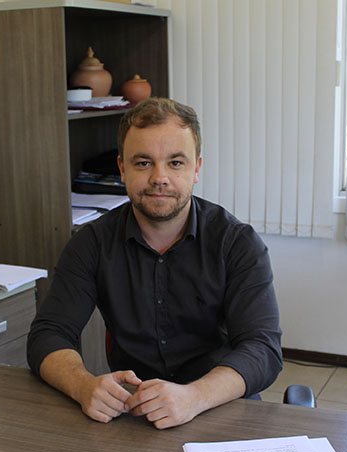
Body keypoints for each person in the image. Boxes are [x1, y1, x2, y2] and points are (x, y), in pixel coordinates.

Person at [27, 97, 283, 429]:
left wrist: (193, 397)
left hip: (219, 407)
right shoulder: (92, 243)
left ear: (196, 169)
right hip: (134, 414)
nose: (159, 177)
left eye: (175, 162)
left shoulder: (237, 243)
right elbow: (48, 335)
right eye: (144, 163)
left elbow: (263, 349)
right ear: (122, 169)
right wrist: (83, 385)